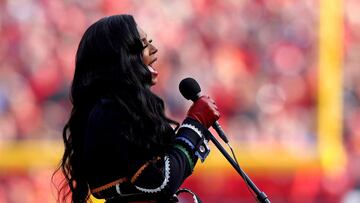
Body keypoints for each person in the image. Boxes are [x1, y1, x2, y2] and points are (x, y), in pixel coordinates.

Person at [54, 14, 220, 203]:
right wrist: (195, 125)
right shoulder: (112, 111)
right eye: (143, 44)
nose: (154, 49)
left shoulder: (109, 109)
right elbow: (159, 182)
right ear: (120, 56)